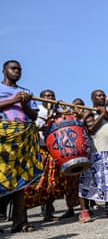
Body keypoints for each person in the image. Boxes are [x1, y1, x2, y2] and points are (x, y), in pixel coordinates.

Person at [0, 60, 43, 232]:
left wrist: (24, 103)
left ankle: (19, 221)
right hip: (4, 136)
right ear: (4, 70)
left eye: (19, 69)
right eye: (13, 68)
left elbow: (33, 117)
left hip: (23, 137)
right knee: (1, 176)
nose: (17, 71)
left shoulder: (26, 92)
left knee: (20, 180)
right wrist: (13, 100)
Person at [77, 90, 108, 223]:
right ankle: (85, 212)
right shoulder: (88, 112)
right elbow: (91, 129)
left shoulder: (107, 114)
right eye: (98, 95)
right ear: (92, 98)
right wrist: (102, 114)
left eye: (103, 95)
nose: (102, 97)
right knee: (87, 183)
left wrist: (107, 116)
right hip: (95, 154)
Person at [24, 89, 65, 222]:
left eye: (52, 95)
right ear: (41, 98)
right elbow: (34, 127)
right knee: (35, 183)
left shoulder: (58, 112)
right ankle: (22, 215)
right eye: (47, 96)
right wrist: (48, 119)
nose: (50, 98)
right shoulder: (37, 110)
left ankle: (48, 212)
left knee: (52, 183)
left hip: (53, 151)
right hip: (38, 150)